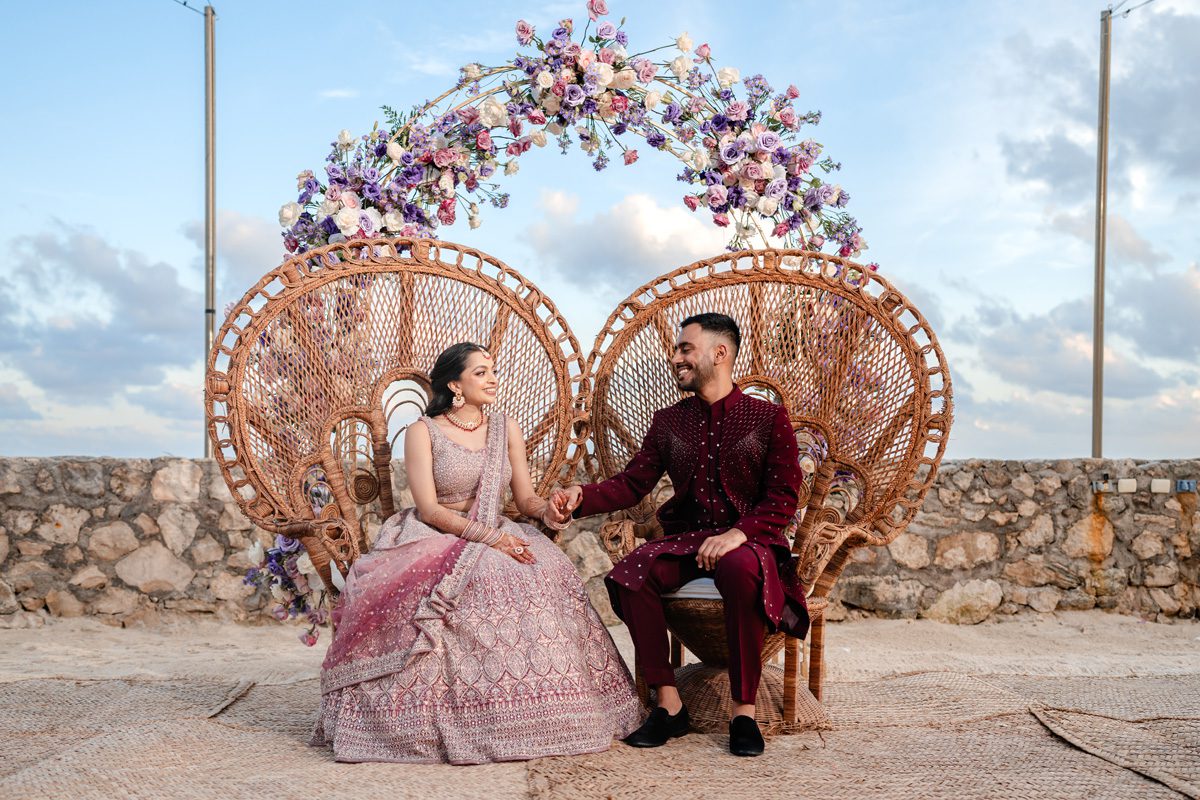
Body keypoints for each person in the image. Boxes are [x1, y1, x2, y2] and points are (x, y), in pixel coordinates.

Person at [312, 342, 642, 764]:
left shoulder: (506, 427)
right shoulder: (423, 431)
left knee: (544, 570)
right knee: (488, 576)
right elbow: (428, 507)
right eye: (481, 372)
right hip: (434, 533)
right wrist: (490, 539)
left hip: (498, 529)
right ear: (455, 384)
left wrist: (552, 509)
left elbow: (526, 500)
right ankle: (461, 716)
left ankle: (543, 710)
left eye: (493, 370)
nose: (492, 379)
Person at [551, 313, 808, 757]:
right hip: (687, 540)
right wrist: (581, 496)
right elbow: (633, 483)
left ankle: (742, 713)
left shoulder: (768, 419)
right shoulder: (669, 422)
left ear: (719, 353)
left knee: (739, 568)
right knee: (630, 574)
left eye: (685, 349)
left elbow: (784, 497)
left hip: (749, 544)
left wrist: (739, 535)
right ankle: (668, 706)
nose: (675, 358)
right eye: (676, 350)